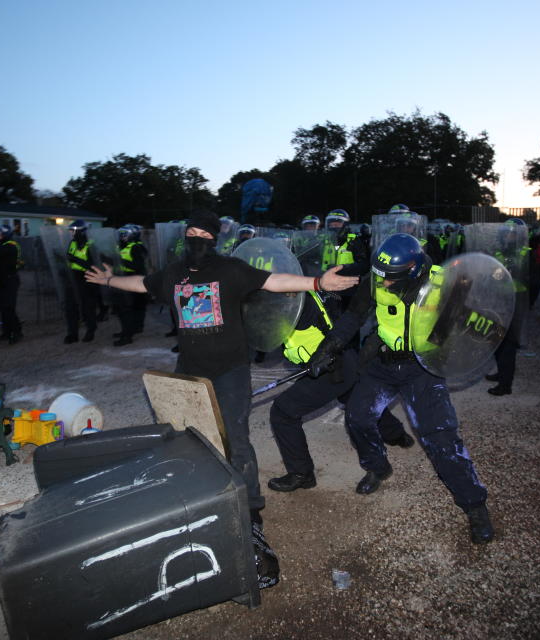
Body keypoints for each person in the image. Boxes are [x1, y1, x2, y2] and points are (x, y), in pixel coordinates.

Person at [84, 210, 360, 588]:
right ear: (185, 235)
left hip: (231, 370)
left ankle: (251, 517)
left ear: (214, 238)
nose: (198, 238)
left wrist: (317, 281)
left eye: (204, 233)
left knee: (236, 438)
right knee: (184, 437)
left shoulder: (231, 269)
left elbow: (274, 281)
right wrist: (111, 279)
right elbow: (144, 284)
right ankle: (194, 501)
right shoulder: (174, 272)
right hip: (190, 369)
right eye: (192, 232)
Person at [306, 233, 495, 544]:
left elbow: (459, 329)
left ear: (413, 271)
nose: (384, 284)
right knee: (358, 416)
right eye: (380, 277)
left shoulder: (443, 283)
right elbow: (354, 317)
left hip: (422, 369)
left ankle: (474, 505)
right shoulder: (377, 279)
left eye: (391, 279)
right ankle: (377, 467)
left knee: (441, 439)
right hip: (382, 362)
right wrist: (329, 349)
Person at [267, 290, 415, 492]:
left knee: (282, 412)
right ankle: (396, 434)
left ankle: (301, 474)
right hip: (345, 360)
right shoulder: (306, 293)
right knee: (354, 398)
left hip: (329, 370)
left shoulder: (292, 307)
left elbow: (266, 336)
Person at [485, 219, 530, 396]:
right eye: (506, 233)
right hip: (497, 300)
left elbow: (532, 280)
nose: (508, 236)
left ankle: (506, 384)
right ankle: (501, 373)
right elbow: (492, 275)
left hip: (515, 301)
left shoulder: (525, 253)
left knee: (508, 344)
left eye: (512, 233)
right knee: (496, 340)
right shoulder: (499, 251)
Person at [63, 220, 100, 344]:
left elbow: (92, 265)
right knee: (70, 307)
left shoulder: (91, 245)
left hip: (88, 277)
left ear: (81, 231)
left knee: (88, 306)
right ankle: (72, 333)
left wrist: (75, 259)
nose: (71, 233)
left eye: (73, 231)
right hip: (73, 277)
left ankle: (91, 330)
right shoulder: (72, 243)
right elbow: (69, 257)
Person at [112, 224, 148, 347]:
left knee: (127, 309)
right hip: (123, 279)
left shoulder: (137, 247)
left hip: (133, 280)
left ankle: (127, 336)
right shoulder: (122, 246)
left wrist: (119, 260)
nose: (122, 236)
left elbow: (138, 266)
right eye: (121, 234)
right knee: (129, 308)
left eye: (124, 234)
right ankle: (129, 330)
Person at [0, 224, 23, 344]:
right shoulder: (2, 245)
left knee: (9, 307)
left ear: (5, 235)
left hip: (10, 280)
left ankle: (17, 332)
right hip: (2, 279)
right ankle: (6, 331)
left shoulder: (11, 246)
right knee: (2, 307)